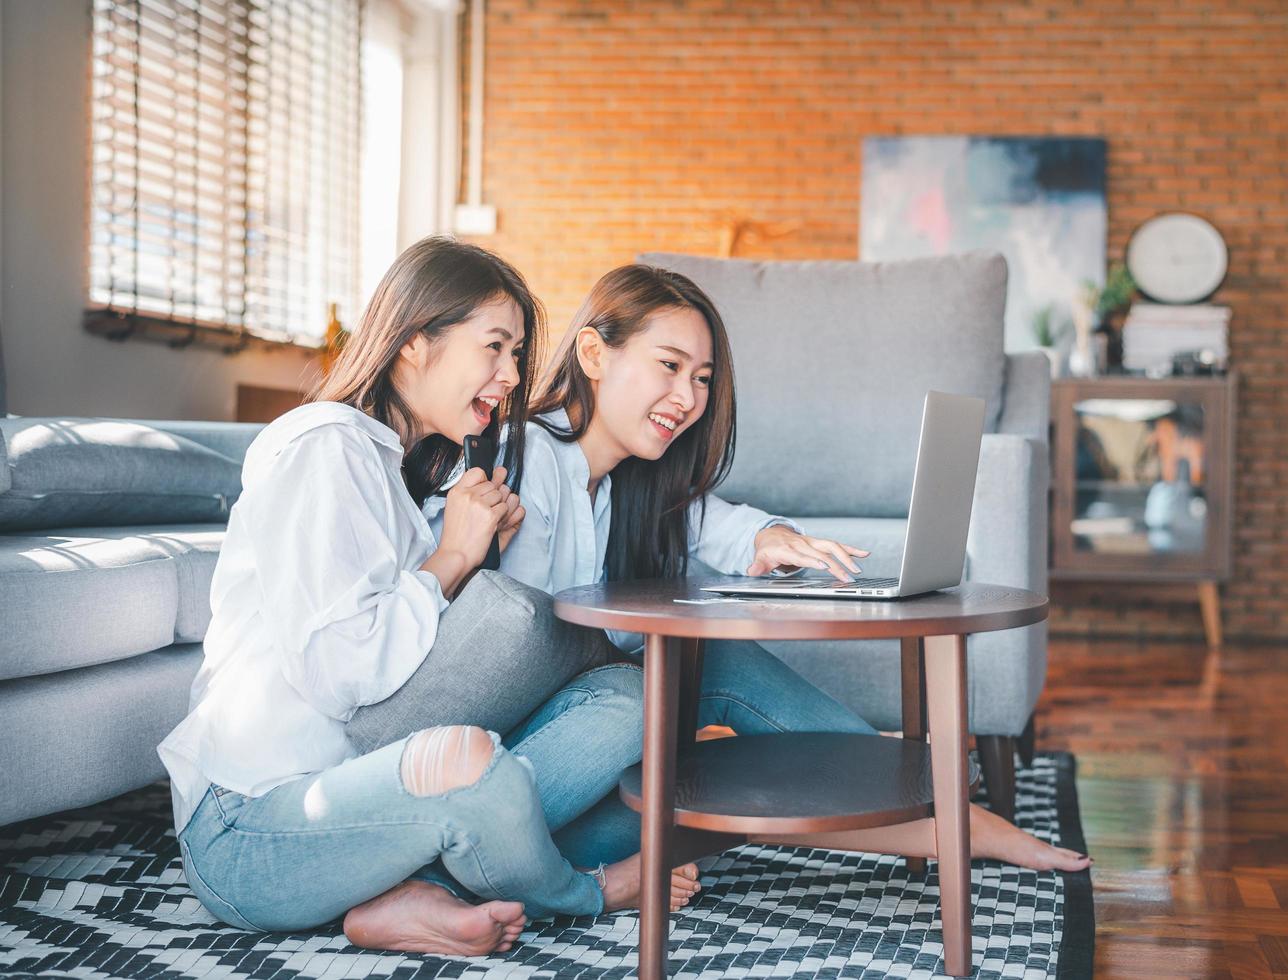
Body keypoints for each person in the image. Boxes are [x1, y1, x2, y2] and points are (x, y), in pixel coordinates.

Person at [157, 238, 697, 960]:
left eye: (515, 356)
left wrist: (458, 556)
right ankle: (580, 891)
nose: (510, 377)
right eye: (495, 347)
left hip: (363, 788)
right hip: (252, 828)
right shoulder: (326, 448)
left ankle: (409, 891)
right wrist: (452, 558)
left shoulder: (392, 474)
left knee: (631, 714)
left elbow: (417, 676)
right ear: (414, 342)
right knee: (477, 769)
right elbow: (344, 672)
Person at [481, 264, 1092, 872]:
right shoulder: (528, 461)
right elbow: (529, 657)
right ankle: (943, 812)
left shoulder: (630, 479)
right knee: (665, 727)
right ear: (593, 352)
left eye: (702, 378)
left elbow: (719, 523)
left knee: (732, 758)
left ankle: (928, 805)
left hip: (577, 787)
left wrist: (775, 537)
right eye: (669, 366)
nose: (689, 398)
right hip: (522, 791)